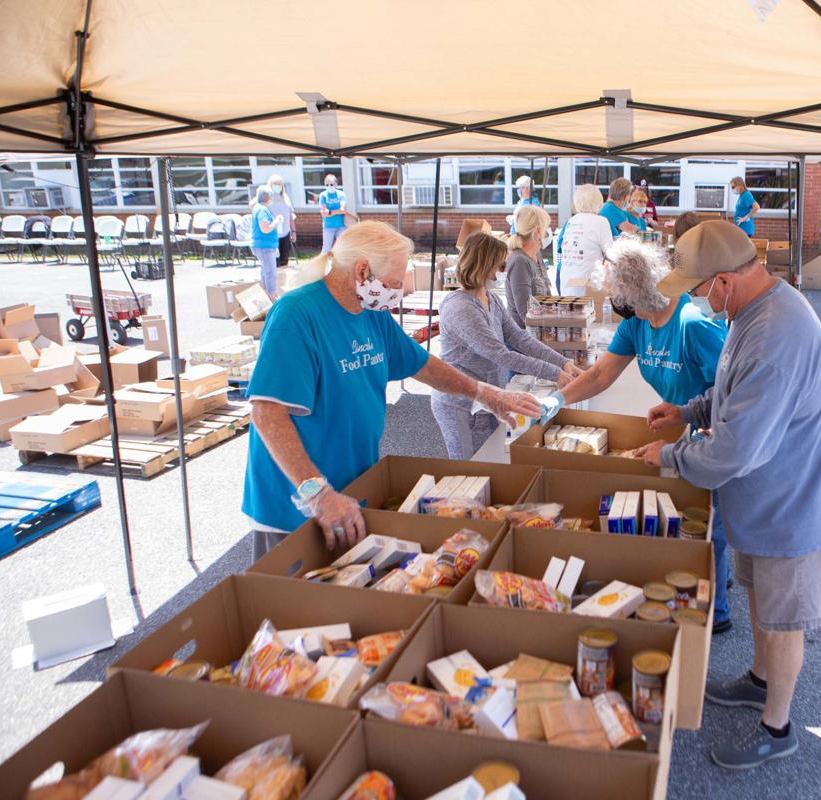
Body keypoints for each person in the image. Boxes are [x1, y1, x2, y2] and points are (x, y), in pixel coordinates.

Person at [632, 221, 821, 770]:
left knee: (784, 621)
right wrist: (690, 412)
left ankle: (776, 726)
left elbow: (735, 451)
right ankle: (759, 679)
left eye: (700, 288)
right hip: (770, 499)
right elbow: (732, 387)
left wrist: (669, 456)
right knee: (760, 594)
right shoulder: (752, 310)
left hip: (797, 505)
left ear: (725, 282)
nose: (699, 300)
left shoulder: (776, 333)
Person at [243, 221, 542, 560]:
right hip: (295, 503)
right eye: (395, 283)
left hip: (350, 489)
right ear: (362, 271)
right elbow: (266, 411)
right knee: (288, 605)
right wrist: (316, 492)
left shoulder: (371, 313)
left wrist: (486, 394)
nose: (398, 293)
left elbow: (424, 366)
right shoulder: (297, 315)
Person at [537, 236, 733, 632]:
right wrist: (555, 401)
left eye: (617, 294)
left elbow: (731, 389)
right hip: (675, 427)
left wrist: (704, 431)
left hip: (708, 431)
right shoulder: (637, 325)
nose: (614, 303)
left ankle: (719, 611)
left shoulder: (692, 324)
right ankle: (707, 579)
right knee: (682, 520)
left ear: (638, 292)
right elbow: (601, 374)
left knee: (712, 523)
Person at [433, 233, 583, 459]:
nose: (502, 270)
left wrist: (564, 363)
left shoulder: (492, 299)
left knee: (490, 460)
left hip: (489, 395)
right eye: (499, 264)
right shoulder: (461, 309)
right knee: (467, 467)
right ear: (484, 265)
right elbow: (501, 355)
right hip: (459, 403)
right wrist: (555, 373)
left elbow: (520, 339)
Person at [556, 184, 614, 296]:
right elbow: (611, 253)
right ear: (599, 202)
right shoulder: (601, 221)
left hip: (566, 283)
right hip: (588, 285)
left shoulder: (571, 221)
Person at [505, 204, 553, 328]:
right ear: (537, 231)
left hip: (543, 331)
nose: (548, 231)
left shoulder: (537, 254)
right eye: (546, 227)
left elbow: (547, 297)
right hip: (525, 338)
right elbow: (526, 314)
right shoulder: (519, 261)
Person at [250, 185, 285, 298]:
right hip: (264, 246)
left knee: (266, 271)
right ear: (268, 197)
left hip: (263, 245)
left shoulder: (258, 208)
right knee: (270, 272)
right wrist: (276, 221)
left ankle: (266, 296)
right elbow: (264, 228)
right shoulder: (262, 210)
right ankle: (272, 297)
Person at [265, 174, 296, 267]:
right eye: (275, 184)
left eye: (280, 184)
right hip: (273, 234)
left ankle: (283, 280)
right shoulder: (267, 198)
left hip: (285, 233)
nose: (278, 186)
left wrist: (293, 231)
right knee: (275, 261)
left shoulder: (285, 197)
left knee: (284, 260)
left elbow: (290, 215)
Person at [319, 174, 348, 253]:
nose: (329, 186)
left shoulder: (341, 194)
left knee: (343, 248)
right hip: (328, 226)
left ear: (336, 184)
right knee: (326, 248)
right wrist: (337, 211)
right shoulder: (323, 195)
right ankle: (323, 265)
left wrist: (330, 212)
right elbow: (323, 213)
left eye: (331, 184)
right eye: (327, 185)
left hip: (341, 226)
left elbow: (343, 210)